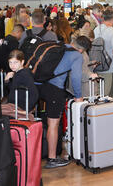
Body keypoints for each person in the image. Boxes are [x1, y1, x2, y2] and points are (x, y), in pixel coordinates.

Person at [41, 36, 86, 169]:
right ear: (82, 50)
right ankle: (52, 158)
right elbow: (76, 77)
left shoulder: (57, 45)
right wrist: (78, 96)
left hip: (38, 82)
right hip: (54, 89)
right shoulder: (77, 56)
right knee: (53, 123)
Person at [94, 9, 113, 98]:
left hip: (97, 67)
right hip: (110, 69)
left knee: (98, 95)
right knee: (108, 97)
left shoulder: (96, 29)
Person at [3, 50, 39, 118]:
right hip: (15, 105)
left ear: (22, 62)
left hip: (20, 107)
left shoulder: (24, 74)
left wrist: (27, 110)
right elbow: (13, 89)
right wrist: (7, 80)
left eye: (15, 62)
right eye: (10, 62)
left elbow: (34, 93)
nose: (12, 65)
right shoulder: (18, 73)